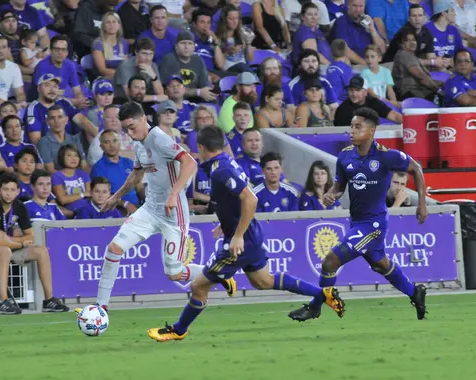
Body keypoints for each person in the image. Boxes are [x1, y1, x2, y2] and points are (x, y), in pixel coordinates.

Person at [146, 125, 346, 342]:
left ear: (201, 147)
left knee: (198, 285)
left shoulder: (221, 169)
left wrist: (237, 234)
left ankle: (179, 329)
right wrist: (227, 223)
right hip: (251, 234)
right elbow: (235, 198)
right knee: (263, 281)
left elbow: (251, 198)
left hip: (242, 242)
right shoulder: (224, 163)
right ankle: (323, 294)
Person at [288, 107, 428, 322]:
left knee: (329, 262)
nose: (351, 131)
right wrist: (331, 194)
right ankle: (414, 292)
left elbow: (417, 168)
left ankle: (315, 306)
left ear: (371, 132)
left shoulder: (386, 156)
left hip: (374, 225)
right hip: (357, 222)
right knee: (380, 263)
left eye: (357, 127)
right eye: (351, 126)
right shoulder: (345, 157)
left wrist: (422, 204)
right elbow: (339, 187)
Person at [93, 102, 235, 311]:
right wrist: (116, 196)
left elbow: (190, 163)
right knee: (114, 249)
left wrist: (174, 194)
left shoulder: (159, 139)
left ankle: (217, 273)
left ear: (144, 119)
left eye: (132, 127)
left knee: (174, 274)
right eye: (126, 130)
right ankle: (100, 308)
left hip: (173, 213)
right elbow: (137, 173)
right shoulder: (139, 144)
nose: (130, 133)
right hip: (150, 209)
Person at [0, 172, 70, 314]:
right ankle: (3, 301)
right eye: (5, 189)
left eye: (12, 190)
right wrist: (20, 244)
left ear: (18, 191)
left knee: (41, 251)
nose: (9, 194)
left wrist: (10, 240)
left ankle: (49, 300)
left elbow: (30, 236)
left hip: (8, 245)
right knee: (4, 251)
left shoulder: (20, 207)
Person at [334, 76, 402, 126]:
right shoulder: (342, 109)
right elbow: (340, 133)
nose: (354, 94)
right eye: (351, 90)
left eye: (357, 90)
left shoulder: (374, 102)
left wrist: (409, 123)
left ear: (365, 92)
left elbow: (394, 116)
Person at [51, 144, 91, 212]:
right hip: (71, 211)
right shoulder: (56, 176)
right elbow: (63, 200)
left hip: (87, 208)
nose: (73, 158)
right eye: (69, 155)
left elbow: (90, 194)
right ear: (62, 157)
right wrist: (82, 194)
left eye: (76, 155)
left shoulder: (83, 174)